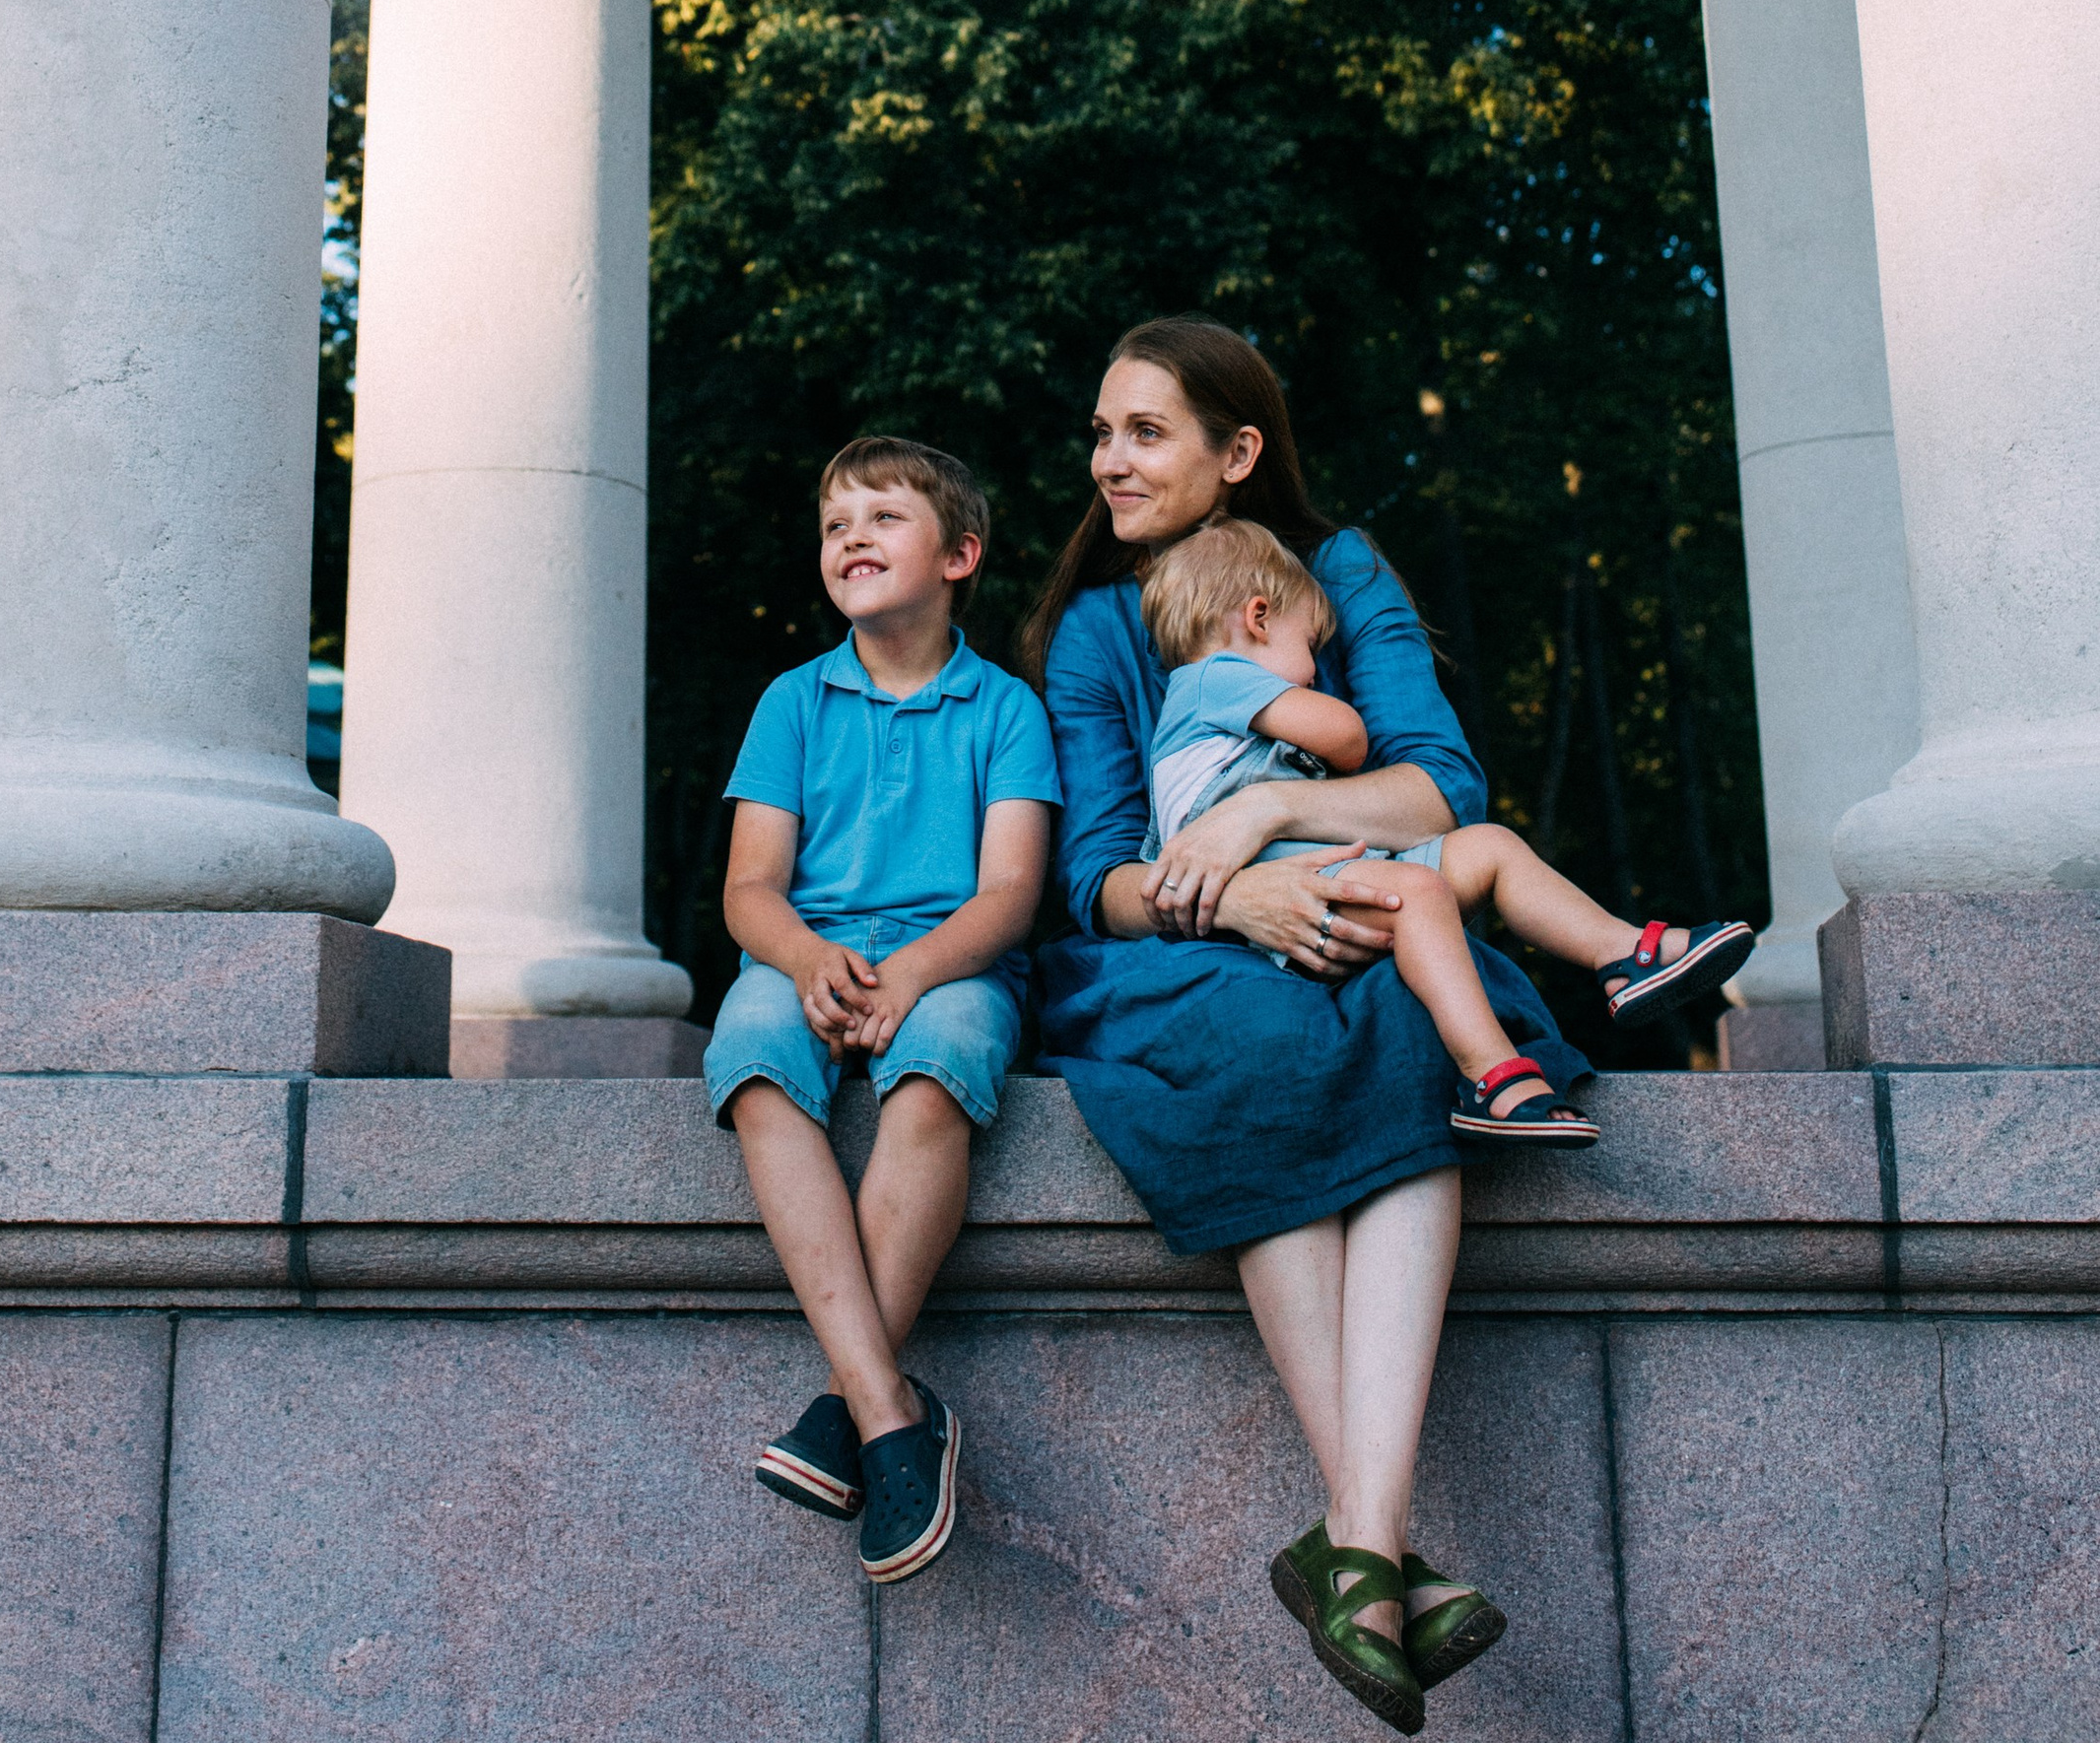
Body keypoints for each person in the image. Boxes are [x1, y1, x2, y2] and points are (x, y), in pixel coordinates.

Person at [1022, 316, 1594, 1736]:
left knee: (1408, 1030)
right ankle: (1376, 1548)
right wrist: (1235, 899)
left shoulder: (1337, 575)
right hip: (1170, 958)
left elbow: (1439, 789)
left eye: (1144, 432)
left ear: (1238, 451)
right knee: (1264, 1044)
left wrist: (1271, 809)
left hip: (1370, 909)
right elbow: (1096, 879)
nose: (1109, 461)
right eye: (1101, 433)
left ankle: (1354, 1544)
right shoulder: (1094, 627)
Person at [709, 435, 1058, 1587]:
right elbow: (749, 889)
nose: (849, 537)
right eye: (833, 524)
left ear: (960, 555)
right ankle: (891, 1410)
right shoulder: (792, 702)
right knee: (753, 1049)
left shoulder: (1005, 710)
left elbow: (1010, 894)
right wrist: (808, 959)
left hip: (950, 963)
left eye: (882, 517)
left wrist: (909, 975)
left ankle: (845, 1406)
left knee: (940, 1061)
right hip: (806, 955)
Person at [1138, 515, 1753, 1146]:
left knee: (1490, 848)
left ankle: (1621, 954)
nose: (1318, 668)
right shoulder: (1212, 679)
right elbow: (1347, 738)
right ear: (1258, 618)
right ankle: (1491, 1077)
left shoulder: (1204, 714)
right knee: (1421, 894)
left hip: (1336, 882)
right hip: (1287, 914)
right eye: (1312, 644)